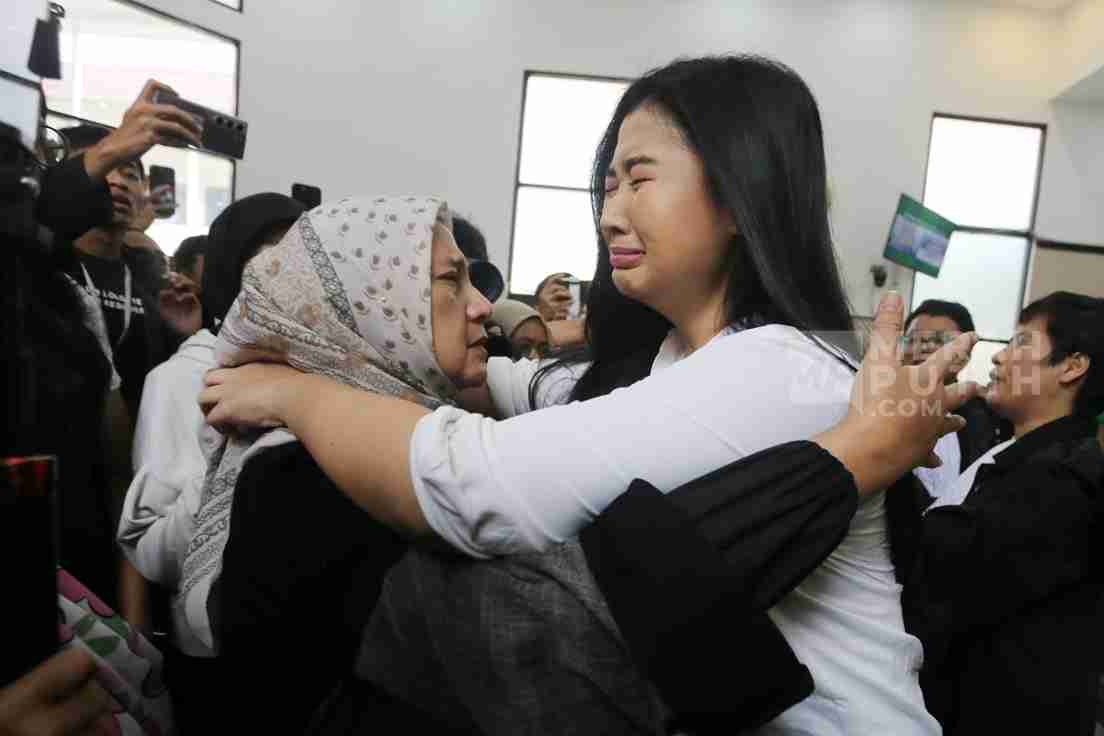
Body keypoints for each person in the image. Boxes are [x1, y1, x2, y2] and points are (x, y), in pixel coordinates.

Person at [199, 56, 973, 735]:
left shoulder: (774, 371)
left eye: (639, 179)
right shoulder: (674, 360)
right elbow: (534, 387)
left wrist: (293, 392)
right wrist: (469, 341)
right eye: (606, 187)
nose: (609, 216)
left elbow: (472, 483)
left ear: (740, 195)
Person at [190, 196, 493, 733]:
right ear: (373, 307)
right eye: (452, 281)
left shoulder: (387, 431)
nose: (482, 305)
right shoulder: (299, 471)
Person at [904, 291, 1104, 735]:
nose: (998, 357)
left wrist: (889, 455)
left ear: (1072, 366)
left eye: (1021, 342)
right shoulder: (1014, 452)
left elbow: (941, 578)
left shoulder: (1060, 480)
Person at [902, 300, 1010, 497]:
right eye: (912, 339)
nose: (923, 347)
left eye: (939, 341)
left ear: (965, 355)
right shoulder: (874, 409)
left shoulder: (990, 418)